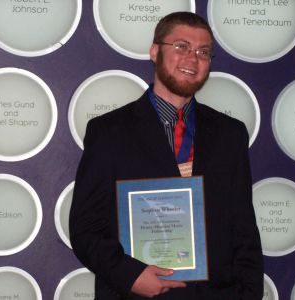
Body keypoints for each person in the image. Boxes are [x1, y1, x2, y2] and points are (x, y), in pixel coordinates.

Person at [69, 11, 263, 300]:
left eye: (203, 51)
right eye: (181, 46)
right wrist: (130, 275)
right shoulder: (108, 132)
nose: (192, 58)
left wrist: (249, 293)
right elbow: (85, 228)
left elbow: (244, 229)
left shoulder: (231, 135)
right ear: (154, 51)